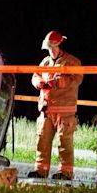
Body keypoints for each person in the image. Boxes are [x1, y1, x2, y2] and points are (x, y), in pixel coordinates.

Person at [27, 31, 83, 180]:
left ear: (59, 45)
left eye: (54, 47)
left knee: (64, 144)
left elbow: (77, 79)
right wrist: (38, 83)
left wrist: (58, 82)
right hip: (46, 110)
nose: (51, 50)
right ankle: (41, 170)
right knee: (42, 142)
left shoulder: (72, 61)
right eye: (49, 47)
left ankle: (66, 173)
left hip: (65, 112)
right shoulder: (45, 62)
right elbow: (35, 76)